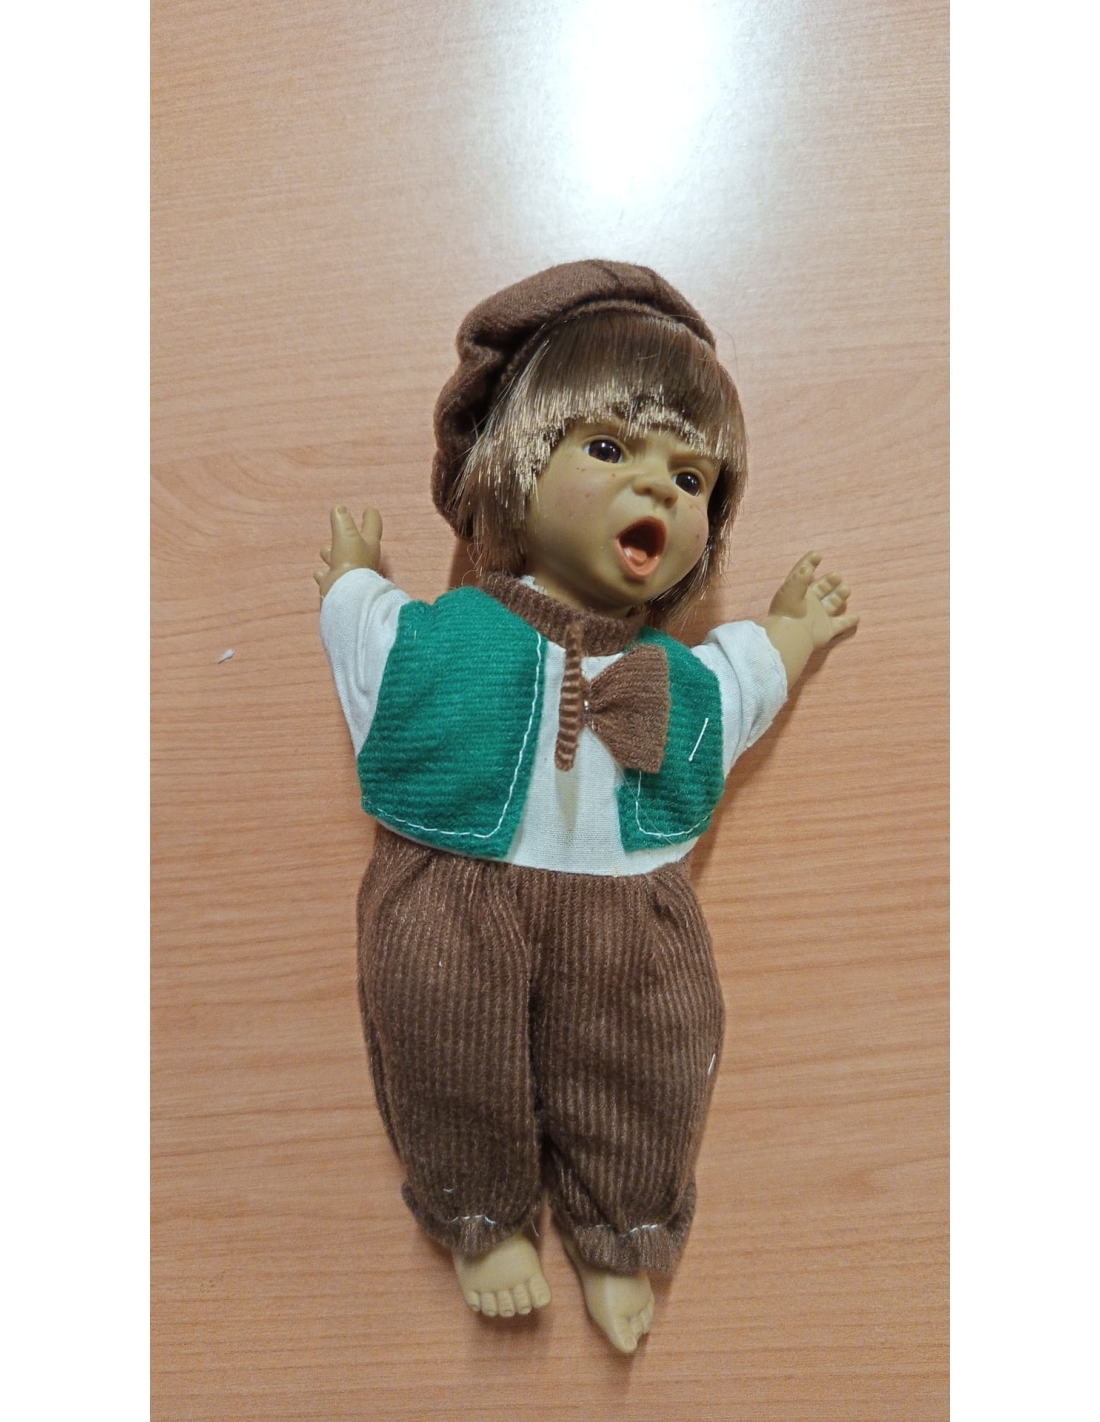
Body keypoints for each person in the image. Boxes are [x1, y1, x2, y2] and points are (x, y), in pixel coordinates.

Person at [316, 261, 857, 1354]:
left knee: (650, 1052)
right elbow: (368, 634)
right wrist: (351, 576)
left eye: (690, 477)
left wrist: (792, 631)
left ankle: (624, 1222)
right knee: (443, 1044)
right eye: (608, 450)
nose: (657, 490)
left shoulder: (675, 676)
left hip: (628, 913)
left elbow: (741, 680)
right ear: (512, 465)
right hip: (452, 895)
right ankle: (481, 1215)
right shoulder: (446, 637)